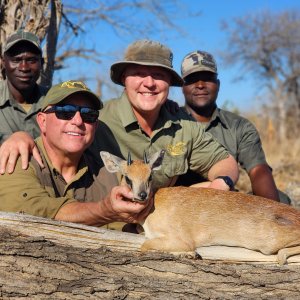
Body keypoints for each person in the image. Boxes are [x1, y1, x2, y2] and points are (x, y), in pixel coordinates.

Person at [0, 39, 239, 193]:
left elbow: (225, 163)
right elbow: (51, 144)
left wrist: (220, 185)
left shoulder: (183, 124)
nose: (149, 83)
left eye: (158, 75)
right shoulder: (96, 118)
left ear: (169, 83)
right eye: (138, 73)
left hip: (164, 217)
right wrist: (20, 136)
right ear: (124, 79)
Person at [0, 80, 153, 226]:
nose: (78, 121)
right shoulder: (17, 158)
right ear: (42, 121)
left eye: (88, 115)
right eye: (65, 112)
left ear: (95, 125)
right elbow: (32, 211)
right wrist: (104, 210)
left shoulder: (111, 175)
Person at [175, 50, 291, 204]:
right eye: (192, 79)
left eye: (208, 79)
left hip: (223, 202)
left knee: (280, 200)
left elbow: (258, 170)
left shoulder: (239, 126)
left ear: (218, 84)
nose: (200, 85)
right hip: (179, 205)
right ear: (182, 86)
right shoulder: (169, 121)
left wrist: (273, 213)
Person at [0, 29, 48, 144]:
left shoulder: (55, 102)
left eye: (31, 60)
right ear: (3, 62)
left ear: (41, 63)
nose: (24, 68)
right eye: (16, 60)